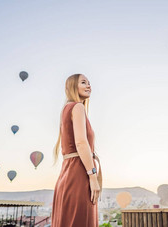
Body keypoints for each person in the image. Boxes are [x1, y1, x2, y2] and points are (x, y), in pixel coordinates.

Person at [52, 74, 102, 227]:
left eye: (89, 83)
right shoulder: (77, 107)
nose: (89, 86)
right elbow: (81, 143)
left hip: (67, 174)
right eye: (83, 82)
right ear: (73, 87)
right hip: (80, 174)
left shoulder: (65, 109)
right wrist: (93, 177)